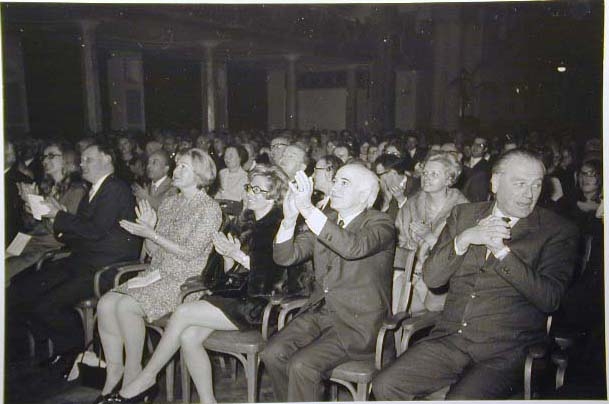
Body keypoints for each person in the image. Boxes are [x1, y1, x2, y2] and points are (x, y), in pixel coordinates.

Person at [372, 149, 579, 400]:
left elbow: (550, 299)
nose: (529, 194)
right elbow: (433, 278)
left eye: (536, 185)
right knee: (385, 385)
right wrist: (464, 239)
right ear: (495, 182)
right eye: (520, 184)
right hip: (451, 341)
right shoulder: (464, 215)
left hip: (506, 350)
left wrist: (501, 252)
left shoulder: (557, 230)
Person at [101, 165, 289, 404]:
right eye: (249, 187)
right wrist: (228, 258)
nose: (250, 193)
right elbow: (224, 274)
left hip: (261, 302)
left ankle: (146, 378)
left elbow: (273, 276)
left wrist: (238, 256)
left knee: (183, 312)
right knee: (189, 337)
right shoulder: (243, 222)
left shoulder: (280, 227)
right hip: (234, 295)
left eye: (257, 190)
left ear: (273, 196)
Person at [94, 148, 221, 402]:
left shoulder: (209, 208)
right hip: (158, 274)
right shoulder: (170, 202)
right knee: (106, 304)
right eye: (177, 165)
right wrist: (148, 230)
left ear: (200, 174)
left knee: (126, 307)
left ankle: (134, 378)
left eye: (184, 167)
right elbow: (153, 252)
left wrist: (152, 233)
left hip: (185, 281)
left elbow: (189, 253)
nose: (176, 170)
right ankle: (114, 373)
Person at [261, 164, 395, 402]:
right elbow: (285, 257)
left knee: (302, 365)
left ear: (365, 195)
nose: (335, 187)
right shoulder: (327, 220)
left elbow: (353, 247)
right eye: (335, 181)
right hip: (320, 313)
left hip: (357, 324)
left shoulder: (381, 224)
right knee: (272, 353)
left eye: (345, 183)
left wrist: (308, 209)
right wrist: (290, 219)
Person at [6, 142, 142, 369]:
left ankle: (76, 353)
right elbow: (76, 234)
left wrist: (60, 215)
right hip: (82, 261)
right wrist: (56, 217)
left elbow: (95, 230)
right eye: (82, 160)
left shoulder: (115, 188)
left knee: (46, 305)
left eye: (88, 159)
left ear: (107, 159)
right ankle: (65, 351)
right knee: (21, 289)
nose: (82, 164)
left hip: (105, 268)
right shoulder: (94, 190)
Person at [394, 152, 468, 313]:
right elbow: (399, 241)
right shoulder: (411, 205)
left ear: (449, 179)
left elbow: (462, 255)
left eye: (434, 174)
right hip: (410, 274)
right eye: (425, 173)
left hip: (445, 280)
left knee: (431, 310)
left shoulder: (463, 210)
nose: (426, 178)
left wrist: (430, 237)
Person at [6, 142, 88, 283]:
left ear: (66, 159)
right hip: (31, 242)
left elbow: (63, 229)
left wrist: (35, 204)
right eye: (43, 157)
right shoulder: (47, 187)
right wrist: (28, 206)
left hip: (50, 248)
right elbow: (31, 225)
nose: (45, 160)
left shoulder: (77, 190)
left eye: (51, 156)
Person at [460, 136, 492, 202]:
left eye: (480, 145)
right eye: (474, 144)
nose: (475, 147)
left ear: (485, 149)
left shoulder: (487, 167)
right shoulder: (462, 162)